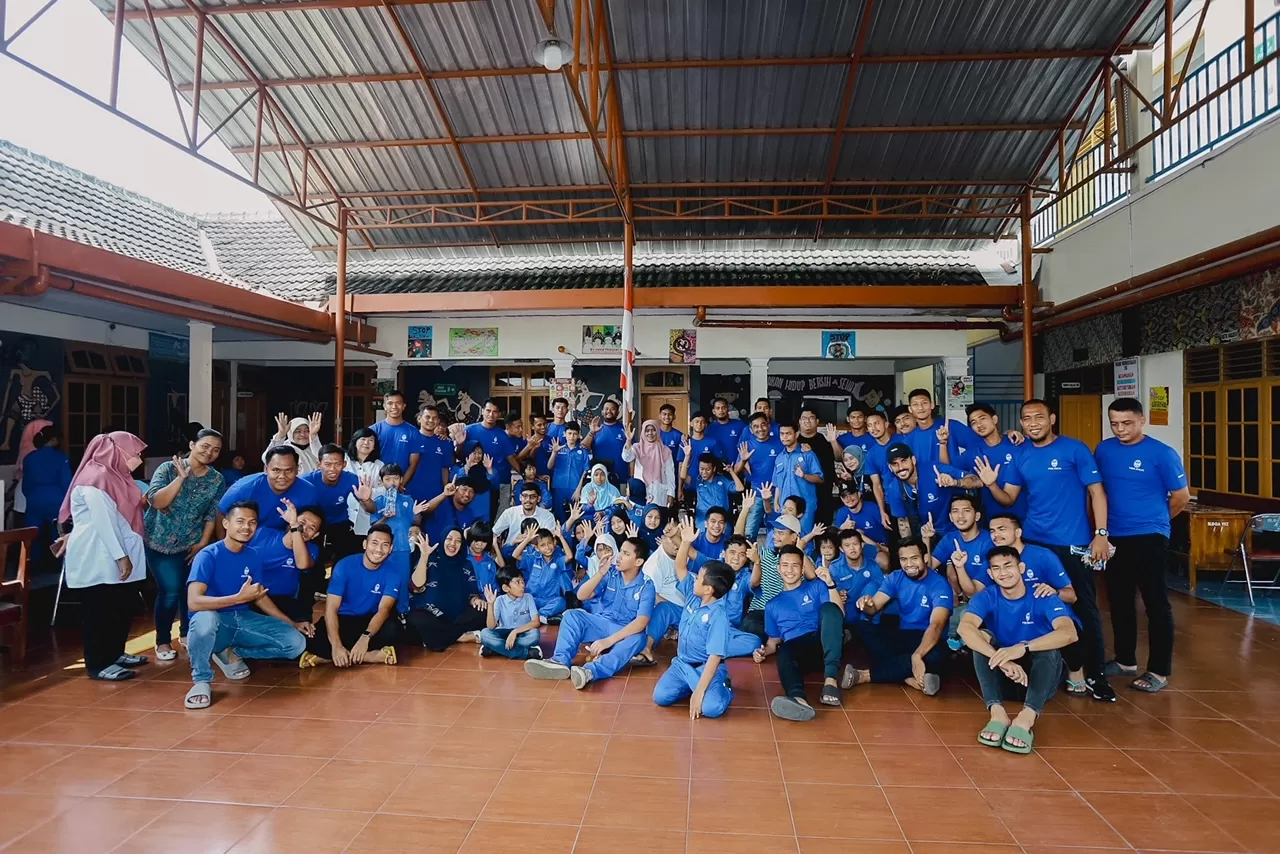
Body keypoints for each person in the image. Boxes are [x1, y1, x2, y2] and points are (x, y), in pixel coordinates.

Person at [982, 399, 1115, 703]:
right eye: (1026, 419)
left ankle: (1096, 675)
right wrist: (991, 484)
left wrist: (1101, 534)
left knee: (1083, 606)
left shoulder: (1075, 449)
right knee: (1037, 601)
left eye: (1039, 417)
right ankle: (1053, 668)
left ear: (1052, 419)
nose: (1033, 423)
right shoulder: (1021, 455)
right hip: (1034, 540)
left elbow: (1097, 492)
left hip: (1073, 542)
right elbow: (1008, 498)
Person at [1095, 397, 1189, 693]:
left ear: (1141, 421)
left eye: (1127, 423)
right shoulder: (1104, 450)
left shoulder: (1162, 454)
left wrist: (1156, 522)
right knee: (1119, 600)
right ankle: (1125, 661)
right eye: (1114, 424)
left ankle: (1159, 670)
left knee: (1155, 602)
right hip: (1114, 535)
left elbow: (1180, 497)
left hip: (1149, 535)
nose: (1120, 429)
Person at [184, 501, 309, 708]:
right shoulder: (208, 555)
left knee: (296, 644)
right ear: (225, 523)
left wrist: (291, 623)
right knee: (205, 619)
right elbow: (194, 602)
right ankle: (201, 681)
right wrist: (237, 599)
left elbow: (260, 596)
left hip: (242, 619)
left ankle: (233, 653)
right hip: (215, 621)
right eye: (240, 521)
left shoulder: (254, 555)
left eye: (252, 523)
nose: (246, 527)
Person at [959, 546, 1079, 753]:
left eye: (1008, 566)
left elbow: (1069, 633)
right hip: (1004, 677)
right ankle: (997, 714)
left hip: (1038, 682)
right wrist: (1003, 659)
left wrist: (1023, 647)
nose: (1003, 573)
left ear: (1021, 567)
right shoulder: (987, 596)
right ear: (990, 574)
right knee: (980, 638)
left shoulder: (1042, 594)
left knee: (1048, 648)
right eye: (996, 569)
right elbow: (964, 628)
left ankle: (1026, 718)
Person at [55, 431, 149, 682]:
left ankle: (115, 653)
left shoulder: (118, 477)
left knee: (121, 606)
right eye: (135, 453)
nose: (138, 458)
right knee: (99, 611)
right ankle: (98, 663)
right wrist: (121, 556)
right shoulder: (95, 479)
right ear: (117, 452)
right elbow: (104, 523)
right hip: (99, 554)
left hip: (117, 552)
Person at [525, 536, 656, 690]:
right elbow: (582, 595)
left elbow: (641, 622)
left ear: (638, 562)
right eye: (620, 551)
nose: (619, 556)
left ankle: (590, 671)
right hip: (601, 623)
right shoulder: (611, 573)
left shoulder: (646, 586)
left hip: (624, 631)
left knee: (639, 638)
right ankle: (560, 661)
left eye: (626, 554)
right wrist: (600, 573)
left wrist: (608, 641)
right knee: (571, 615)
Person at [144, 428, 227, 662]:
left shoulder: (216, 479)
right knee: (170, 590)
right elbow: (156, 501)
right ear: (192, 445)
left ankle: (186, 634)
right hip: (160, 541)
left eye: (216, 450)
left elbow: (213, 512)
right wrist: (181, 478)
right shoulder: (168, 468)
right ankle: (162, 640)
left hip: (193, 541)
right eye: (205, 446)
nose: (209, 453)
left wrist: (203, 542)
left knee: (189, 590)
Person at [842, 538, 952, 696]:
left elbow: (936, 626)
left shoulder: (940, 585)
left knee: (936, 656)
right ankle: (910, 678)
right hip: (903, 635)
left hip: (929, 638)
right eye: (903, 559)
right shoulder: (896, 577)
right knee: (863, 628)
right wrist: (866, 604)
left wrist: (918, 654)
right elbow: (874, 608)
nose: (909, 564)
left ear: (925, 558)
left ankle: (863, 676)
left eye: (914, 558)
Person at [753, 545, 845, 720]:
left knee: (829, 609)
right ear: (778, 568)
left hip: (824, 641)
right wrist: (763, 650)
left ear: (802, 569)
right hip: (799, 651)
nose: (790, 570)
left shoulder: (817, 587)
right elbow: (774, 641)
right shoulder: (772, 605)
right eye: (785, 565)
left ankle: (831, 680)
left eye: (795, 565)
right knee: (785, 651)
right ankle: (798, 700)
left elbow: (838, 614)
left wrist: (831, 585)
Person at [300, 523, 402, 667]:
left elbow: (383, 610)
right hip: (344, 619)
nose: (379, 549)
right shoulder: (344, 565)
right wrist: (336, 645)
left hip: (370, 621)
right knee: (311, 638)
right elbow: (331, 609)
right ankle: (369, 656)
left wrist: (365, 638)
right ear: (365, 544)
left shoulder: (394, 573)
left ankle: (330, 657)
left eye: (385, 545)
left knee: (393, 630)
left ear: (391, 549)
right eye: (374, 543)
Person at [652, 559, 737, 719]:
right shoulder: (693, 595)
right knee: (661, 696)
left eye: (698, 577)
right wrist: (685, 541)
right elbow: (679, 566)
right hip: (682, 664)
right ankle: (694, 685)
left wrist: (699, 693)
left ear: (708, 589)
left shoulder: (719, 616)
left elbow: (714, 657)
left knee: (712, 708)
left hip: (705, 667)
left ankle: (723, 686)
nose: (694, 579)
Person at [738, 496, 816, 639]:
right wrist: (745, 510)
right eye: (775, 531)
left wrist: (799, 551)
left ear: (794, 537)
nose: (775, 536)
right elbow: (737, 540)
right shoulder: (763, 554)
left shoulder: (804, 559)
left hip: (788, 613)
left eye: (781, 533)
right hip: (761, 612)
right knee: (751, 627)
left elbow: (812, 577)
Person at [404, 528, 488, 651]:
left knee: (483, 611)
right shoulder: (429, 559)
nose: (453, 544)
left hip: (458, 616)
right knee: (416, 619)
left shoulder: (466, 564)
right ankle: (462, 637)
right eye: (449, 539)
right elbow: (416, 586)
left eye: (458, 541)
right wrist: (424, 556)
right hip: (432, 614)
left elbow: (472, 593)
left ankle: (437, 637)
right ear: (443, 539)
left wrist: (475, 600)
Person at [302, 444, 372, 581]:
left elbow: (371, 509)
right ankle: (315, 588)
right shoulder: (306, 481)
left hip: (340, 522)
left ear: (344, 464)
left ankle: (339, 585)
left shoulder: (351, 479)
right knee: (313, 556)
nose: (332, 469)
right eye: (327, 464)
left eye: (337, 464)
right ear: (319, 464)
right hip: (315, 524)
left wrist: (366, 500)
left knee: (347, 555)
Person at [249, 498, 323, 625]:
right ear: (289, 521)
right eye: (302, 522)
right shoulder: (263, 534)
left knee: (305, 631)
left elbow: (303, 564)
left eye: (311, 528)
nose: (304, 529)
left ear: (315, 535)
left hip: (284, 600)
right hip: (252, 595)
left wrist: (296, 527)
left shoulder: (312, 549)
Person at [882, 442, 963, 545]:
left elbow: (975, 480)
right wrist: (909, 550)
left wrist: (955, 482)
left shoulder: (933, 470)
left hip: (955, 531)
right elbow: (903, 524)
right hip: (927, 536)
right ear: (890, 467)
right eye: (895, 464)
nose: (900, 467)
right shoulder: (893, 488)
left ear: (913, 460)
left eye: (904, 461)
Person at [219, 446, 318, 530]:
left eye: (288, 470)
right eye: (276, 470)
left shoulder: (309, 491)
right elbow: (221, 512)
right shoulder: (245, 487)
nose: (282, 476)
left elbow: (312, 526)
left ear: (297, 470)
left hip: (286, 543)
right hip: (246, 543)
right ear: (266, 469)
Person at [19, 422, 71, 562]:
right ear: (53, 440)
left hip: (34, 498)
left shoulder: (29, 458)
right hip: (56, 499)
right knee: (59, 534)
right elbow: (66, 482)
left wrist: (31, 495)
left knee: (31, 535)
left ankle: (29, 565)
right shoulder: (61, 458)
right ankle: (61, 566)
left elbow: (26, 483)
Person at [735, 412, 784, 539]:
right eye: (756, 426)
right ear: (751, 430)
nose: (760, 429)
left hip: (777, 493)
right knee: (749, 532)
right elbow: (736, 470)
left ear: (768, 425)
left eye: (763, 425)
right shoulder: (747, 445)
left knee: (777, 531)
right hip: (755, 494)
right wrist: (744, 460)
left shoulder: (780, 443)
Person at [466, 399, 520, 514]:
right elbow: (459, 453)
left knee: (496, 513)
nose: (491, 414)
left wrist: (524, 474)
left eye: (495, 412)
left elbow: (510, 457)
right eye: (488, 410)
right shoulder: (469, 430)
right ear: (482, 411)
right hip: (475, 481)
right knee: (476, 512)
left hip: (500, 480)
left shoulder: (502, 435)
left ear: (499, 414)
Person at [512, 524, 575, 621]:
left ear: (554, 542)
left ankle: (540, 615)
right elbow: (515, 555)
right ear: (537, 548)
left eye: (549, 543)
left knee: (561, 602)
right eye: (542, 545)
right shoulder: (533, 558)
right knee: (519, 602)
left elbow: (570, 556)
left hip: (550, 600)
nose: (547, 547)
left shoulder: (558, 560)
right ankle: (536, 615)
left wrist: (561, 537)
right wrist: (527, 539)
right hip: (532, 599)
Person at [480, 566, 543, 660]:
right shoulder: (499, 600)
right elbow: (491, 626)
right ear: (506, 588)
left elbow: (536, 622)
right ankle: (526, 653)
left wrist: (515, 632)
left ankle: (496, 649)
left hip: (522, 633)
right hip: (503, 634)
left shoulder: (528, 598)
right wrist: (490, 604)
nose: (522, 586)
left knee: (535, 634)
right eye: (517, 582)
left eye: (522, 581)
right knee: (485, 633)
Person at [771, 421, 823, 534]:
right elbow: (777, 483)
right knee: (786, 538)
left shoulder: (807, 454)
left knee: (804, 538)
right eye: (782, 434)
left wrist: (804, 475)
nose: (785, 437)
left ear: (797, 434)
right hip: (785, 508)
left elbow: (820, 478)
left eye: (788, 433)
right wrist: (776, 502)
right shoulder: (779, 458)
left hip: (805, 507)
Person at [369, 391, 422, 488]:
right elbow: (367, 459)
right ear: (384, 406)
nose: (394, 407)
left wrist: (401, 484)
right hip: (377, 485)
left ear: (404, 406)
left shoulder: (413, 432)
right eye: (390, 403)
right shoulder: (373, 430)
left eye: (398, 403)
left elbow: (413, 463)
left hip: (403, 486)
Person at [797, 407, 837, 525]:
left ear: (817, 421)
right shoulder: (795, 441)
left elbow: (839, 457)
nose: (807, 421)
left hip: (824, 495)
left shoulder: (825, 440)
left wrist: (833, 441)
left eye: (811, 418)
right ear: (799, 421)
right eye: (804, 418)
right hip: (801, 493)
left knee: (823, 531)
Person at [623, 419, 676, 507]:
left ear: (658, 431)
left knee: (656, 517)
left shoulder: (665, 451)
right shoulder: (637, 447)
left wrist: (671, 493)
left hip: (658, 491)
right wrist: (628, 441)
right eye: (647, 430)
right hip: (640, 491)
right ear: (643, 432)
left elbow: (670, 474)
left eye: (653, 430)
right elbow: (626, 458)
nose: (650, 433)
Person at [682, 452, 743, 526]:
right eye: (701, 469)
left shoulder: (723, 480)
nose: (704, 472)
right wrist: (687, 456)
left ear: (714, 469)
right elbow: (683, 476)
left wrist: (731, 471)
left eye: (707, 469)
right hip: (703, 520)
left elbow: (740, 488)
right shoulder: (697, 481)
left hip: (722, 520)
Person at [410, 405, 453, 506]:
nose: (431, 420)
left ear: (438, 421)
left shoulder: (446, 443)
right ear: (420, 419)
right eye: (427, 417)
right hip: (412, 493)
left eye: (434, 418)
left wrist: (445, 490)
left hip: (436, 494)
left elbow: (445, 468)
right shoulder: (411, 438)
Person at [345, 428, 382, 540]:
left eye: (371, 440)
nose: (366, 443)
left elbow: (383, 490)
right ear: (355, 442)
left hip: (367, 520)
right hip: (344, 517)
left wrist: (370, 492)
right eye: (363, 439)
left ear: (375, 445)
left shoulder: (379, 466)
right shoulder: (345, 460)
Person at [548, 422, 591, 517]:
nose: (572, 437)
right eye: (569, 433)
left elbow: (585, 471)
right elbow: (549, 466)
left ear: (579, 435)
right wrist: (554, 453)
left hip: (575, 488)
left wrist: (578, 490)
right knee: (559, 515)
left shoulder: (583, 451)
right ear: (564, 434)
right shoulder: (558, 448)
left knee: (575, 515)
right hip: (559, 487)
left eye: (575, 434)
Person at [493, 481, 557, 543]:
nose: (528, 500)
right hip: (512, 549)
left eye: (532, 497)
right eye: (525, 496)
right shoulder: (509, 513)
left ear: (538, 499)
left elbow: (549, 540)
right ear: (520, 497)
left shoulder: (547, 516)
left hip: (538, 551)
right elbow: (495, 533)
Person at [583, 398, 628, 484]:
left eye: (612, 409)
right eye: (606, 409)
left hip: (621, 476)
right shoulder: (596, 429)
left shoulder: (624, 430)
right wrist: (592, 432)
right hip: (599, 477)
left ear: (618, 412)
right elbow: (584, 446)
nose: (609, 411)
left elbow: (631, 455)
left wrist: (631, 475)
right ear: (602, 412)